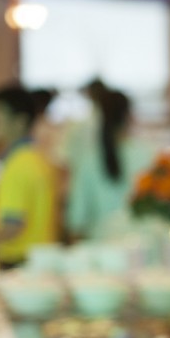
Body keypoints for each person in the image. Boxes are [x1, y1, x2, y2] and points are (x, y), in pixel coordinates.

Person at [65, 89, 155, 239]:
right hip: (141, 245)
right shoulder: (146, 155)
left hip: (100, 248)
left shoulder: (88, 160)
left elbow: (76, 220)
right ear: (129, 116)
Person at [0, 83, 58, 265]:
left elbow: (12, 226)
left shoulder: (16, 165)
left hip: (19, 260)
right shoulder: (37, 156)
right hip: (42, 257)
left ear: (20, 121)